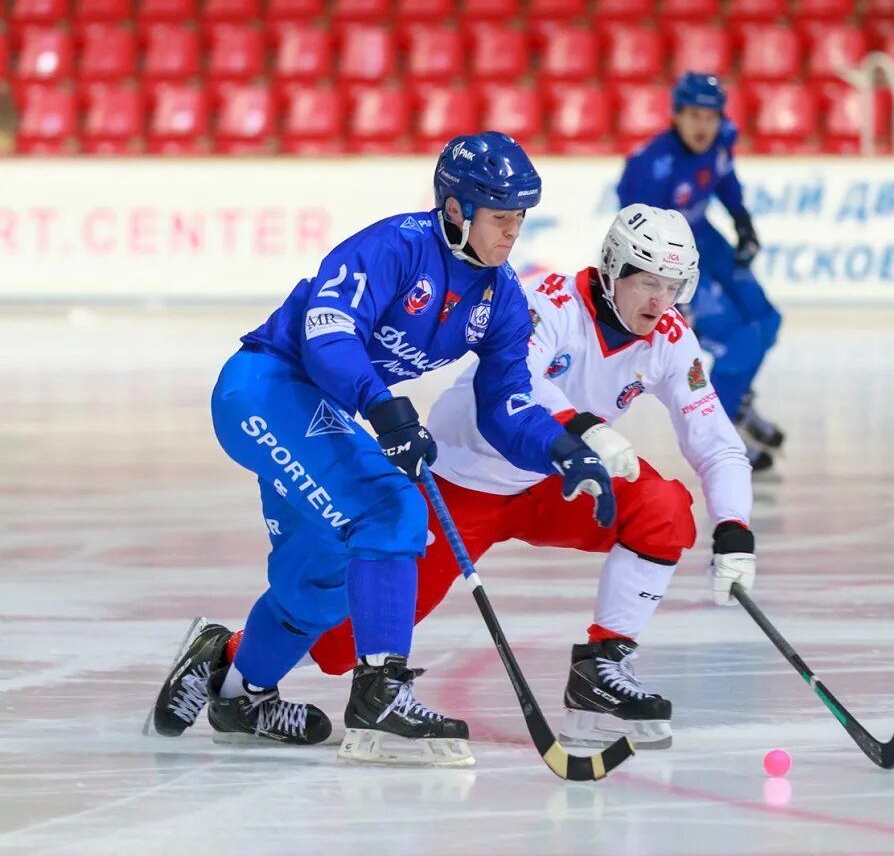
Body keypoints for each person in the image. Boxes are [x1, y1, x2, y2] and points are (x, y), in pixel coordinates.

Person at [153, 204, 757, 752]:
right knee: (339, 644)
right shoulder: (542, 301)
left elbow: (716, 441)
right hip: (465, 481)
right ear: (610, 269)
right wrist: (582, 429)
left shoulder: (673, 339)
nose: (659, 300)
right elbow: (520, 392)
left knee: (664, 510)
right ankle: (230, 659)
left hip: (553, 476)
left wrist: (734, 527)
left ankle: (602, 668)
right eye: (646, 281)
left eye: (673, 286)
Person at [148, 132, 616, 767]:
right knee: (393, 511)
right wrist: (382, 404)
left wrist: (560, 446)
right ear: (457, 209)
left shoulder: (502, 296)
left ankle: (239, 690)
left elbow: (505, 402)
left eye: (521, 218)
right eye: (502, 217)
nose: (514, 232)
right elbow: (328, 333)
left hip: (325, 412)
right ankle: (381, 695)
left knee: (324, 578)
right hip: (265, 389)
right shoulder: (396, 245)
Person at [616, 71, 784, 472]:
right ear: (676, 116)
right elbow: (630, 234)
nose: (703, 127)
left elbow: (725, 180)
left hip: (704, 237)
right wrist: (664, 296)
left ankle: (738, 399)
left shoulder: (722, 138)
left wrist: (743, 221)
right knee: (738, 339)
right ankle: (721, 436)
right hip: (669, 258)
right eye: (694, 116)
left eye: (711, 117)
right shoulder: (648, 165)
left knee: (766, 320)